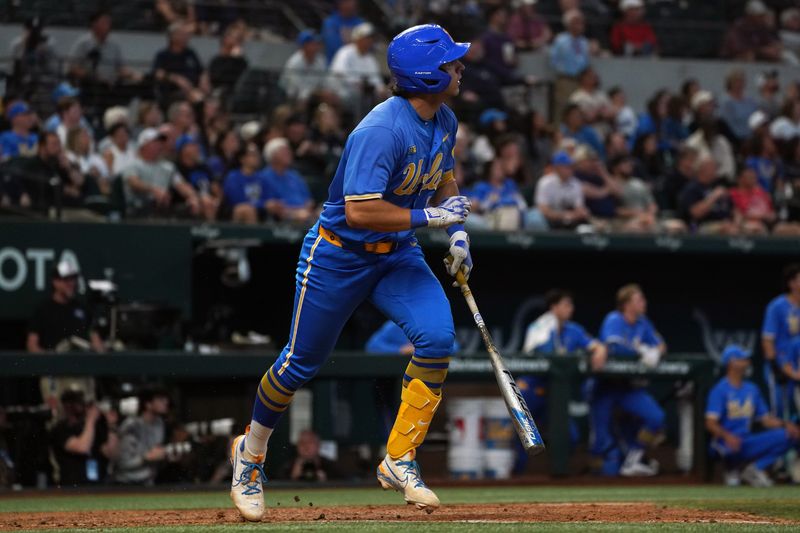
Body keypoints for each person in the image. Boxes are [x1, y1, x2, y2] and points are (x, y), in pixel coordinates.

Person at [228, 24, 472, 521]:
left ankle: (399, 458)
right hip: (339, 253)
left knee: (438, 338)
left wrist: (458, 234)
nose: (460, 68)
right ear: (426, 76)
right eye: (451, 63)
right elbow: (360, 211)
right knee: (300, 363)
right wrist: (430, 217)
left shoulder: (444, 119)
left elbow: (443, 175)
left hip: (397, 253)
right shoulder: (381, 129)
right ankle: (249, 456)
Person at [593, 284, 666, 477]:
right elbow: (614, 347)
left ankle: (636, 456)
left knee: (656, 417)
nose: (644, 303)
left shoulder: (643, 322)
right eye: (638, 300)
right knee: (607, 459)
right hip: (605, 386)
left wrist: (655, 351)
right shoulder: (614, 319)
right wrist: (641, 350)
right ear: (626, 304)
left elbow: (661, 345)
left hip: (628, 387)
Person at [706, 345, 800, 487]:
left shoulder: (752, 389)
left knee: (789, 434)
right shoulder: (720, 389)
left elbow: (766, 420)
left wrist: (786, 425)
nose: (747, 361)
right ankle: (731, 470)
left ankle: (756, 469)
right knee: (729, 447)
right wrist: (727, 436)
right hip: (725, 441)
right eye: (743, 359)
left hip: (746, 440)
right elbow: (710, 423)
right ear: (732, 362)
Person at [122, 128, 201, 217]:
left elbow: (181, 185)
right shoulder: (133, 164)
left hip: (162, 207)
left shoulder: (167, 167)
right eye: (155, 142)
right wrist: (154, 190)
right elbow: (134, 182)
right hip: (138, 208)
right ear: (144, 145)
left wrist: (193, 197)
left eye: (160, 142)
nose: (159, 145)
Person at [51, 390, 118, 487]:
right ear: (67, 406)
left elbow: (111, 453)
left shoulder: (95, 427)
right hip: (72, 487)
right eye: (78, 402)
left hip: (98, 485)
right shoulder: (60, 429)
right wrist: (90, 419)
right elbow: (82, 448)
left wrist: (111, 426)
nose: (84, 406)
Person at [761, 264, 800, 421]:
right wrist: (774, 366)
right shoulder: (777, 306)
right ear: (792, 283)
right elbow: (767, 339)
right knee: (779, 408)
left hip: (798, 364)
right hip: (782, 363)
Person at [114, 387, 171, 485]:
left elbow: (156, 455)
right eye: (160, 399)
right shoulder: (131, 426)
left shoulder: (159, 423)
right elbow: (121, 463)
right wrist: (146, 458)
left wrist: (166, 456)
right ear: (148, 404)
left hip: (148, 482)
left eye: (165, 399)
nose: (166, 402)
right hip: (126, 484)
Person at [549, 9, 596, 118]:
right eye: (576, 22)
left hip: (581, 81)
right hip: (566, 79)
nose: (580, 25)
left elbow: (586, 61)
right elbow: (553, 60)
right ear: (569, 24)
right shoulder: (560, 40)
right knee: (563, 108)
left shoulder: (584, 42)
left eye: (581, 22)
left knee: (579, 110)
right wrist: (563, 71)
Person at [327, 23, 385, 106]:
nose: (370, 41)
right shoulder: (345, 52)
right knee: (359, 97)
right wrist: (357, 83)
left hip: (364, 96)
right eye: (367, 38)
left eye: (371, 38)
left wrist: (381, 89)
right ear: (358, 38)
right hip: (342, 93)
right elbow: (339, 73)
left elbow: (377, 81)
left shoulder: (370, 58)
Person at [678, 156, 737, 235]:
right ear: (702, 169)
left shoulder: (716, 186)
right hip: (700, 226)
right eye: (713, 167)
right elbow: (695, 213)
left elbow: (733, 209)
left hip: (725, 223)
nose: (716, 171)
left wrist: (737, 221)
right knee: (729, 230)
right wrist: (714, 196)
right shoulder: (692, 188)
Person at [152, 22, 209, 104]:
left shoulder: (190, 53)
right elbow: (158, 74)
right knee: (196, 99)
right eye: (183, 34)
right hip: (173, 92)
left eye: (186, 35)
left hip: (194, 89)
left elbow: (201, 70)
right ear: (173, 36)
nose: (187, 37)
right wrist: (176, 79)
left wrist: (204, 79)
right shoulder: (163, 55)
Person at [261, 138, 314, 223]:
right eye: (283, 151)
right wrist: (294, 213)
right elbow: (270, 205)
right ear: (272, 155)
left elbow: (308, 200)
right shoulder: (264, 177)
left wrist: (305, 210)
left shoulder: (295, 176)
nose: (288, 153)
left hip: (305, 214)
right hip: (282, 218)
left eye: (288, 151)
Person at [535, 151, 590, 231]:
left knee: (586, 227)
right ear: (557, 168)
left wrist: (577, 214)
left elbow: (580, 209)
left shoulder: (576, 184)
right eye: (567, 167)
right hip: (549, 221)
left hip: (570, 221)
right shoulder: (545, 183)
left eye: (571, 166)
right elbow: (543, 210)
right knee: (536, 218)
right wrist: (565, 215)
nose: (570, 169)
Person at [221, 142, 274, 224]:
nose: (257, 158)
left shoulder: (262, 178)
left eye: (257, 155)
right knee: (246, 209)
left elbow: (268, 198)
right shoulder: (233, 177)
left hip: (260, 211)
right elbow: (237, 200)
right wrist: (262, 204)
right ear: (242, 159)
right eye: (253, 155)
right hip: (236, 211)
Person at [280, 30, 328, 102]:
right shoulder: (294, 62)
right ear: (304, 45)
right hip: (291, 98)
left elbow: (324, 82)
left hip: (314, 97)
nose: (317, 46)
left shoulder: (321, 60)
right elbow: (297, 88)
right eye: (313, 43)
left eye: (317, 43)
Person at [207, 25, 248, 100]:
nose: (237, 41)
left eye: (239, 39)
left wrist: (236, 59)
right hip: (218, 92)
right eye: (235, 38)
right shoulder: (216, 60)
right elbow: (217, 78)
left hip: (237, 93)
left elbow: (243, 78)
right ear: (225, 39)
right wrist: (233, 59)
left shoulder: (241, 61)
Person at [720, 70, 759, 144]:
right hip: (736, 140)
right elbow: (728, 125)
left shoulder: (751, 101)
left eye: (742, 81)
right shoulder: (726, 102)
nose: (740, 84)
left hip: (753, 139)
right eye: (737, 81)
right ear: (730, 83)